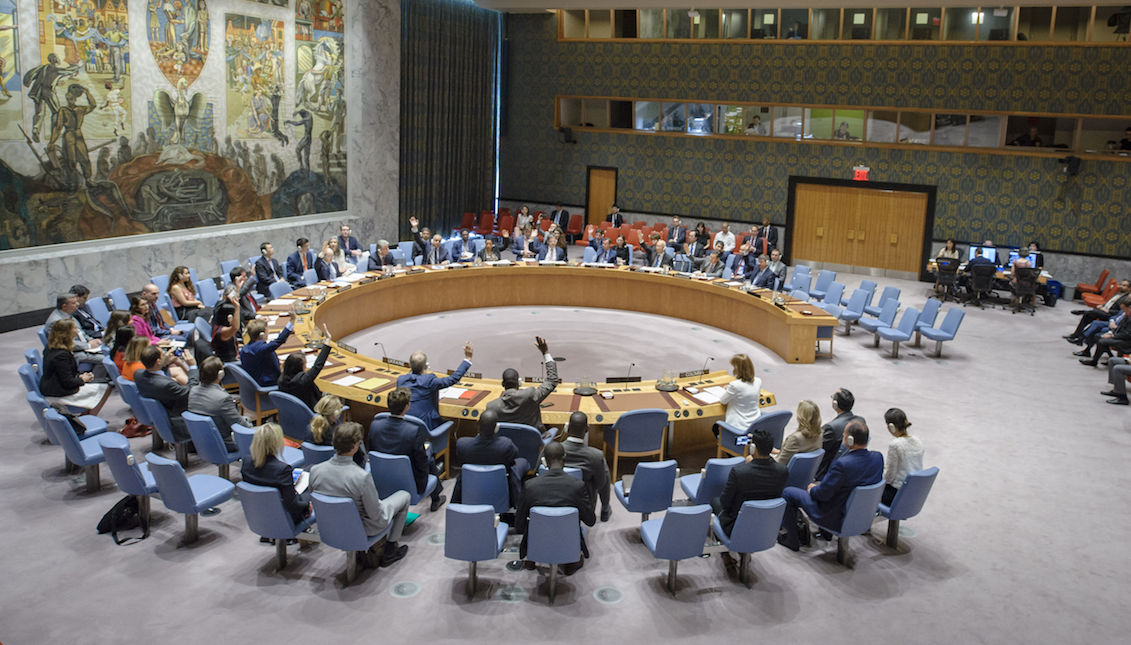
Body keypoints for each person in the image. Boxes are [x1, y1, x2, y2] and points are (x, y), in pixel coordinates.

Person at [309, 422, 410, 568]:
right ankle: (390, 550)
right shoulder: (361, 477)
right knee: (404, 496)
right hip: (363, 528)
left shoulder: (315, 471)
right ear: (356, 446)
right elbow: (376, 515)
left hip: (329, 526)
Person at [779, 419, 883, 551]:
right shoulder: (878, 457)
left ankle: (791, 540)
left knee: (788, 492)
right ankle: (824, 534)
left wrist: (812, 489)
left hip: (834, 516)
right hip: (862, 514)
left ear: (850, 440)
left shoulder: (843, 464)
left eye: (844, 435)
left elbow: (822, 495)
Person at [515, 442, 595, 573]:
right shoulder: (577, 486)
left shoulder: (530, 486)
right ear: (565, 458)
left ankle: (534, 556)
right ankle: (569, 559)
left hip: (537, 541)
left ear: (544, 461)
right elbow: (590, 520)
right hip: (568, 541)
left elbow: (519, 526)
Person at [367, 387, 447, 512]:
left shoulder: (374, 425)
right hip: (411, 483)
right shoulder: (413, 431)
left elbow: (372, 452)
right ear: (406, 407)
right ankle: (435, 498)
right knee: (429, 458)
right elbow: (421, 463)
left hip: (380, 478)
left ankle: (436, 497)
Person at [712, 429, 788, 538]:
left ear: (753, 449)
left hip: (737, 526)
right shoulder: (783, 471)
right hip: (766, 524)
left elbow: (725, 502)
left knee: (715, 501)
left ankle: (724, 550)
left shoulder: (739, 472)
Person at [452, 409, 526, 507]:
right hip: (499, 487)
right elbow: (514, 459)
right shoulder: (505, 445)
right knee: (522, 463)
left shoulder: (462, 444)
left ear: (477, 425)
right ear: (496, 428)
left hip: (471, 488)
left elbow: (460, 460)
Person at [485, 336, 560, 433]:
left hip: (506, 444)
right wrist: (545, 353)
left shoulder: (491, 406)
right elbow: (552, 380)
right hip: (534, 443)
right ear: (519, 383)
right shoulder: (530, 396)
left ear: (503, 384)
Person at [242, 423, 310, 524]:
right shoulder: (282, 469)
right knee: (314, 484)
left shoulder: (246, 462)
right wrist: (307, 505)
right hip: (285, 516)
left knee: (309, 469)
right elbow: (292, 505)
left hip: (260, 512)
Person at [40, 319, 111, 415]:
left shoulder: (51, 346)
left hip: (54, 385)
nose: (77, 331)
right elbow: (68, 382)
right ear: (67, 333)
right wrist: (83, 379)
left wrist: (80, 377)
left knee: (102, 383)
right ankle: (89, 418)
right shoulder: (61, 355)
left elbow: (65, 374)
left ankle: (87, 416)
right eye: (74, 328)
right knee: (107, 387)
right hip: (59, 392)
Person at [397, 341, 474, 430]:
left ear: (410, 365)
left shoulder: (401, 380)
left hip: (405, 426)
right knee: (448, 423)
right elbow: (453, 378)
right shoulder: (429, 381)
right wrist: (468, 358)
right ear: (425, 366)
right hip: (426, 427)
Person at [135, 345, 198, 442]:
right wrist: (192, 366)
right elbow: (191, 390)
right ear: (158, 361)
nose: (166, 354)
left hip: (161, 414)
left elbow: (157, 375)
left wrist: (165, 364)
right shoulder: (166, 385)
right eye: (163, 354)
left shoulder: (138, 374)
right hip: (178, 420)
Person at [187, 357, 248, 452]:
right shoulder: (223, 398)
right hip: (224, 444)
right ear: (221, 374)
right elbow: (240, 425)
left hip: (201, 441)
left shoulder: (193, 391)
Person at [562, 412, 612, 522]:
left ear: (567, 428)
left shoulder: (553, 450)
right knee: (603, 471)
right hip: (584, 504)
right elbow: (600, 483)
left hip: (556, 498)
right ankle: (605, 509)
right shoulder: (596, 456)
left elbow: (539, 472)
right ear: (587, 429)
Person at [278, 325, 333, 409]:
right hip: (312, 411)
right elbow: (318, 366)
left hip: (292, 411)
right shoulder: (302, 381)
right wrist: (327, 342)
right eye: (304, 365)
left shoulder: (281, 379)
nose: (306, 367)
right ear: (298, 368)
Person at [815, 388, 863, 480]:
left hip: (827, 473)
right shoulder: (860, 421)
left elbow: (818, 450)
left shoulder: (831, 427)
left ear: (835, 404)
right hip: (853, 467)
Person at [881, 408, 924, 506]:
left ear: (891, 426)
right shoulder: (918, 441)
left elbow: (889, 478)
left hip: (896, 494)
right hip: (914, 492)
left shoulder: (895, 445)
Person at [45, 293, 103, 364]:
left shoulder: (69, 314)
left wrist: (92, 340)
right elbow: (65, 343)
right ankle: (95, 375)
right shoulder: (56, 322)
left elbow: (80, 332)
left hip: (83, 345)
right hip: (73, 353)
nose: (77, 304)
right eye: (74, 303)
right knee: (105, 359)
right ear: (64, 306)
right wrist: (88, 345)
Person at [1065, 280, 1129, 344]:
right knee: (1088, 316)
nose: (1120, 286)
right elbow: (1110, 303)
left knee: (1091, 314)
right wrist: (1102, 306)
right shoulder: (1118, 293)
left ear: (1129, 288)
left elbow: (1121, 312)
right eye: (1120, 284)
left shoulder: (1127, 298)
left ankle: (1083, 315)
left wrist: (1107, 310)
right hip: (1104, 310)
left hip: (1109, 314)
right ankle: (1077, 335)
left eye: (1124, 285)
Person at [716, 354, 762, 436]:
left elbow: (723, 401)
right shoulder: (758, 381)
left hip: (738, 429)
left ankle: (731, 445)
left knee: (715, 428)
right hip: (754, 426)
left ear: (738, 369)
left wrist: (730, 389)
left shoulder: (735, 385)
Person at [239, 320, 293, 387]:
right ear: (262, 334)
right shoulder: (262, 349)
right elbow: (279, 341)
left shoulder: (245, 348)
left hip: (256, 378)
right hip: (269, 383)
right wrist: (292, 321)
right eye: (267, 330)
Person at [1079, 300, 1131, 366]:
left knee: (1102, 341)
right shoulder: (1127, 315)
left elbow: (1128, 334)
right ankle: (1111, 358)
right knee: (1098, 336)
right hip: (1120, 336)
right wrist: (1110, 333)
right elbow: (1119, 328)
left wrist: (1112, 336)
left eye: (1124, 309)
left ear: (1130, 307)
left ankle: (1095, 361)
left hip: (1127, 341)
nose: (1123, 312)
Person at [776, 400, 823, 467]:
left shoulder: (795, 438)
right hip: (805, 475)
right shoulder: (820, 434)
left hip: (783, 474)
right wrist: (780, 452)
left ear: (800, 417)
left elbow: (779, 464)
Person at [210, 284, 242, 363]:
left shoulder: (220, 326)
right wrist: (237, 308)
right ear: (229, 317)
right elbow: (235, 328)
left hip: (235, 356)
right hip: (232, 363)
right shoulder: (222, 332)